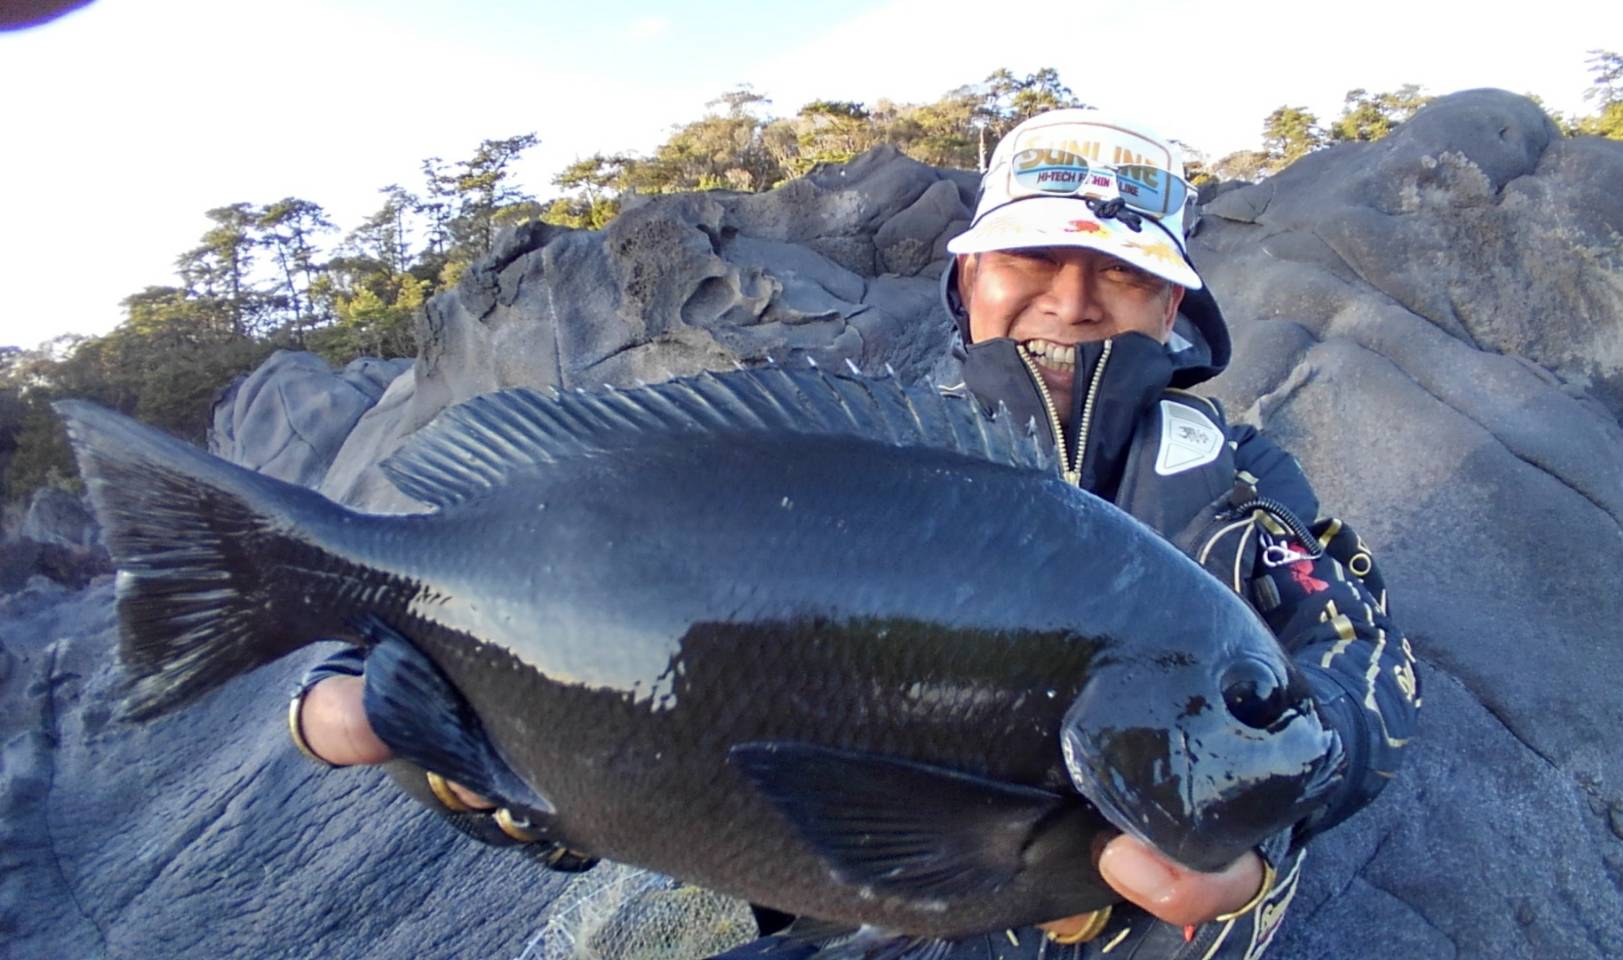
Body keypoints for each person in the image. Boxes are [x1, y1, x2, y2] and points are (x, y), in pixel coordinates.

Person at [289, 109, 1419, 958]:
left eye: (1121, 274)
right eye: (1034, 260)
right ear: (968, 277)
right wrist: (448, 755)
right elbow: (618, 595)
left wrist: (1271, 803)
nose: (1074, 301)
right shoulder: (857, 449)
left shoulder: (1235, 479)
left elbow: (1363, 662)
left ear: (1171, 307)